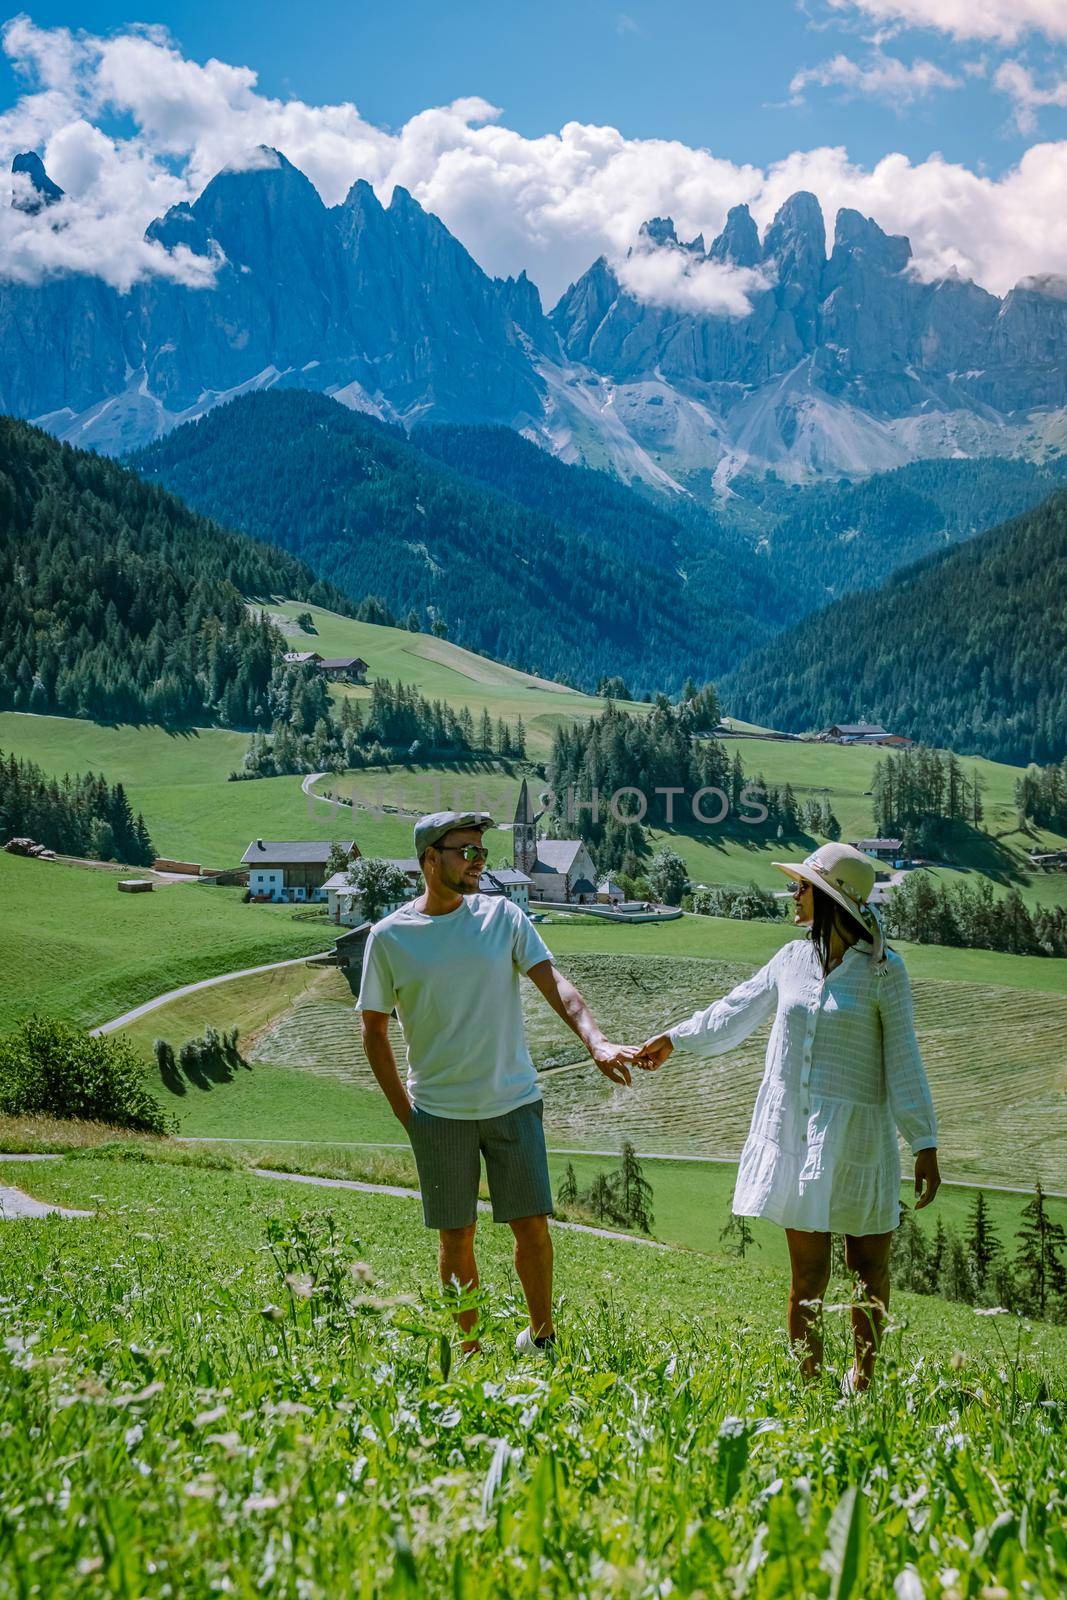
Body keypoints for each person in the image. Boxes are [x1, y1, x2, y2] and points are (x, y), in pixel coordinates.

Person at [635, 842, 940, 1392]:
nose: (792, 895)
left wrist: (925, 1143)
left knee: (868, 1271)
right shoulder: (790, 959)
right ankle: (810, 1388)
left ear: (830, 899)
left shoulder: (883, 971)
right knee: (808, 1279)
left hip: (861, 1140)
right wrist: (675, 1038)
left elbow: (904, 1057)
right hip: (798, 1136)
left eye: (802, 887)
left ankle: (862, 1384)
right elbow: (737, 1007)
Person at [358, 810, 635, 1358]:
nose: (479, 862)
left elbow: (555, 982)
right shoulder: (389, 938)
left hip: (514, 1102)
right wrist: (406, 1115)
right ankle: (469, 1351)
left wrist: (596, 1040)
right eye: (467, 851)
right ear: (430, 860)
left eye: (483, 852)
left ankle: (543, 1338)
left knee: (531, 1227)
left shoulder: (503, 917)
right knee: (456, 1237)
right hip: (438, 1112)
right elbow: (372, 1030)